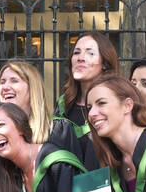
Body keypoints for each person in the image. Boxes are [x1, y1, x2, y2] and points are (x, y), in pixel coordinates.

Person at [49, 30, 118, 167]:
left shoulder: (116, 102)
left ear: (104, 63)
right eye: (76, 52)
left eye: (90, 53)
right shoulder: (64, 105)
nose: (80, 58)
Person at [0, 59, 52, 143]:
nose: (5, 87)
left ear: (32, 88)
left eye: (14, 81)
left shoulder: (56, 130)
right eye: (2, 82)